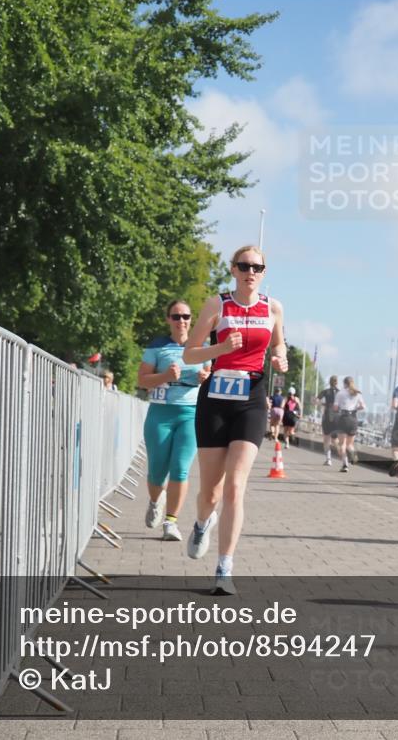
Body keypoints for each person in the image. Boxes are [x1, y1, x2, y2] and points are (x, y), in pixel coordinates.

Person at [181, 245, 287, 595]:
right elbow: (190, 352)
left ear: (264, 271)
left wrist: (280, 360)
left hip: (252, 399)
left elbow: (279, 346)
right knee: (209, 492)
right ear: (233, 269)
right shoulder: (217, 304)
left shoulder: (272, 307)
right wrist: (221, 350)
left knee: (235, 486)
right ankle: (200, 524)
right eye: (243, 266)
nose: (250, 272)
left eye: (257, 266)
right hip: (215, 399)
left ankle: (224, 568)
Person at [137, 301, 209, 541]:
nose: (181, 321)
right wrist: (166, 376)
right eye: (176, 316)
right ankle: (156, 500)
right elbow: (143, 380)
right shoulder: (157, 346)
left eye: (186, 316)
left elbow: (212, 379)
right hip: (161, 413)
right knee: (157, 471)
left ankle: (171, 522)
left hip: (190, 414)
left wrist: (205, 379)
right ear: (168, 319)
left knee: (180, 468)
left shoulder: (201, 347)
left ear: (191, 319)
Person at [334, 376, 365, 473]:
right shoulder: (357, 393)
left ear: (344, 383)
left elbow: (335, 408)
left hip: (343, 418)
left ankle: (345, 464)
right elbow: (363, 406)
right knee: (349, 444)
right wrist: (355, 408)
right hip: (353, 419)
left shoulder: (340, 393)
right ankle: (353, 453)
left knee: (341, 444)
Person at [317, 376, 341, 465]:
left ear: (330, 382)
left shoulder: (325, 391)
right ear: (337, 383)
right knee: (335, 439)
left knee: (326, 439)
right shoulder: (340, 393)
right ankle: (343, 458)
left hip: (327, 416)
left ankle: (328, 459)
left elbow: (316, 401)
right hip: (337, 417)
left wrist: (324, 404)